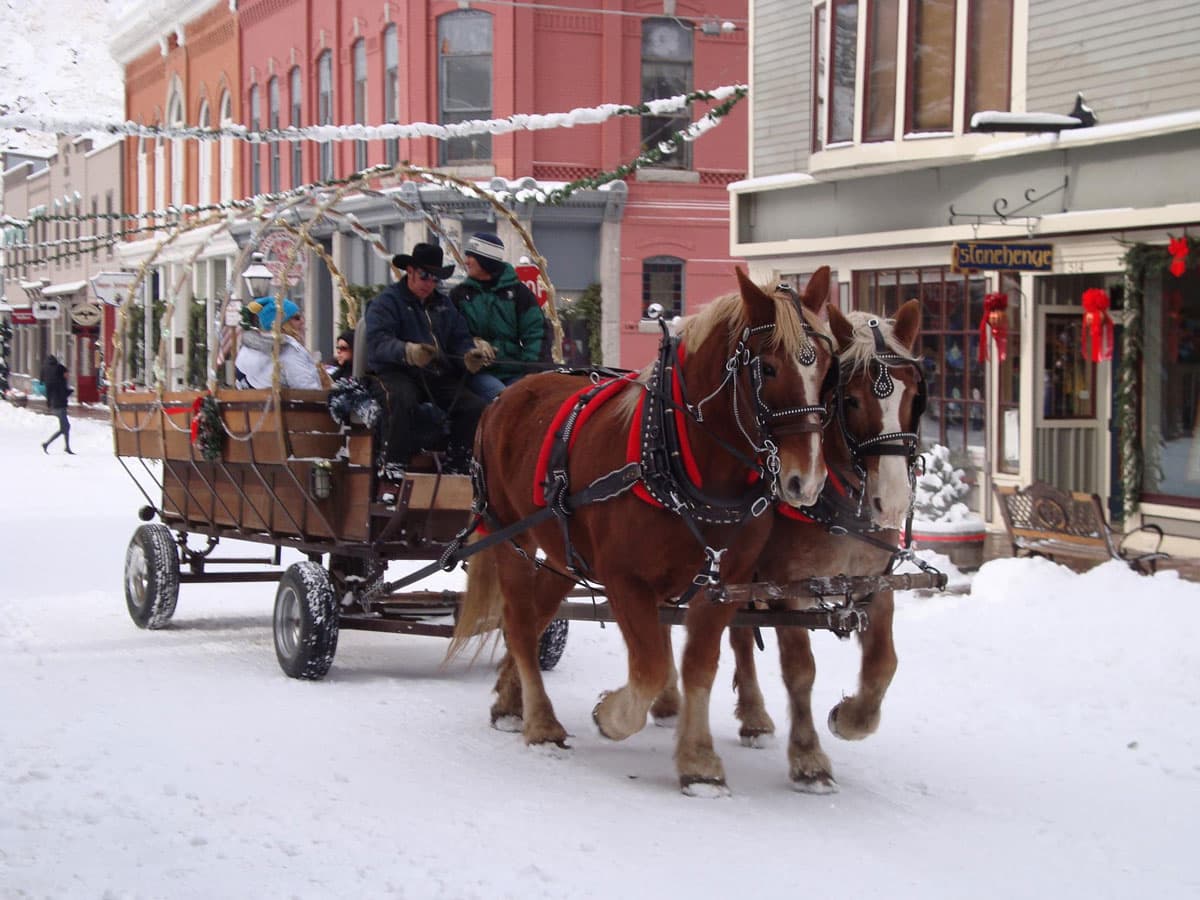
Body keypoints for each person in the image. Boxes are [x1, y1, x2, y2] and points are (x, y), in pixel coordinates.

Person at [365, 242, 489, 479]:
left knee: (474, 407)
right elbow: (378, 343)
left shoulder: (444, 305)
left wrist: (468, 356)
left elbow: (459, 338)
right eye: (425, 277)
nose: (429, 285)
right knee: (400, 399)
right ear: (409, 271)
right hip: (395, 372)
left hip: (435, 375)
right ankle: (392, 467)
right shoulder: (386, 302)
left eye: (435, 280)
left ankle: (459, 463)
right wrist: (407, 352)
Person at [450, 232, 546, 403]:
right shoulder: (460, 295)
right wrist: (473, 345)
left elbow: (536, 332)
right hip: (479, 373)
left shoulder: (519, 293)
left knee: (528, 401)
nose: (466, 261)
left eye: (471, 256)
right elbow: (452, 334)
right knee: (504, 401)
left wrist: (531, 371)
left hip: (515, 371)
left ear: (486, 261)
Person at [235, 298, 332, 390]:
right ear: (283, 324)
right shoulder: (288, 349)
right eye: (297, 318)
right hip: (289, 406)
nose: (303, 321)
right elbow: (308, 391)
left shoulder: (249, 351)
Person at [40, 355, 73, 454]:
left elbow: (49, 389)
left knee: (66, 426)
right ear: (62, 373)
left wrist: (48, 402)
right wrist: (69, 392)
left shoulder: (51, 377)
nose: (68, 376)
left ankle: (67, 447)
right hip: (59, 405)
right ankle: (47, 444)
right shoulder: (60, 381)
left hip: (55, 404)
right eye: (67, 374)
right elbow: (62, 393)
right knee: (65, 427)